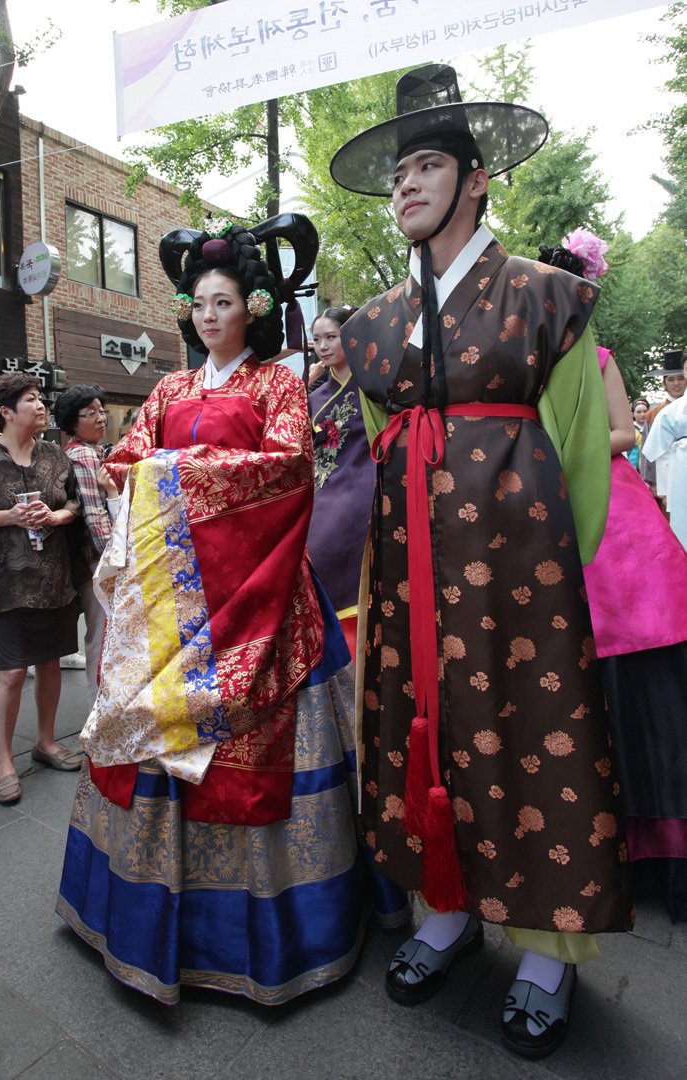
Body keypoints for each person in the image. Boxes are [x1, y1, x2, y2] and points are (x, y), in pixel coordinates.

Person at [329, 64, 632, 1059]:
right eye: (400, 170)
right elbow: (381, 456)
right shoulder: (374, 327)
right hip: (413, 581)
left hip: (522, 578)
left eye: (428, 165)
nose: (407, 184)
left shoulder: (548, 299)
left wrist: (553, 578)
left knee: (532, 736)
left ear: (477, 180)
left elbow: (581, 449)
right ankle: (446, 911)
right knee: (426, 731)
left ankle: (546, 951)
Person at [56, 215, 408, 1006]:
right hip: (176, 600)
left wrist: (172, 469)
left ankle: (281, 934)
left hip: (265, 587)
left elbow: (285, 467)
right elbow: (125, 458)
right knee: (151, 747)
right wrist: (171, 471)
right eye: (199, 305)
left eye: (223, 303)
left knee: (271, 744)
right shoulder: (170, 387)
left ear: (249, 308)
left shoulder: (278, 383)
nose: (209, 316)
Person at [541, 235, 687, 923]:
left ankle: (656, 844)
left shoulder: (597, 357)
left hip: (611, 516)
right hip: (544, 513)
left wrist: (555, 449)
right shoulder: (522, 358)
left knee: (639, 673)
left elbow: (626, 435)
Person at [0, 373, 83, 805]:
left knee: (50, 663)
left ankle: (45, 742)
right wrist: (11, 517)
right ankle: (4, 759)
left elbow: (76, 502)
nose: (41, 406)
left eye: (41, 399)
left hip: (54, 577)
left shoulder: (55, 455)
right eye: (31, 400)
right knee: (10, 670)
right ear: (5, 412)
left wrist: (56, 516)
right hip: (5, 579)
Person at [307, 305, 373, 661]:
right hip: (321, 493)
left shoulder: (374, 386)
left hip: (362, 488)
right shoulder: (314, 397)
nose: (323, 346)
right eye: (317, 339)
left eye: (331, 337)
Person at [53, 384, 120, 706]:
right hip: (98, 563)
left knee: (102, 636)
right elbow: (94, 516)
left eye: (101, 410)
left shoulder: (93, 451)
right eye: (89, 413)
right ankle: (99, 712)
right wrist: (113, 561)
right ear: (71, 421)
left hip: (94, 561)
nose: (100, 418)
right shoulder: (81, 455)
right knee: (101, 637)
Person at [642, 352, 687, 548]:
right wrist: (653, 482)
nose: (676, 383)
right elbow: (651, 450)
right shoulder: (656, 413)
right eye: (671, 379)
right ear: (664, 383)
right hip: (672, 474)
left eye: (680, 378)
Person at [630, 397, 650, 472]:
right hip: (636, 469)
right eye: (638, 412)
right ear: (632, 414)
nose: (642, 414)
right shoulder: (630, 431)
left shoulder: (652, 428)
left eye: (645, 411)